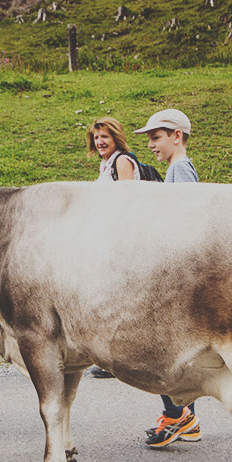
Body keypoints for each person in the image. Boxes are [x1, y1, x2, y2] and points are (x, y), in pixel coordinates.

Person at [135, 109, 202, 448]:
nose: (150, 145)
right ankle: (183, 417)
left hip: (176, 280)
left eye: (155, 137)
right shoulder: (177, 170)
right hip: (175, 278)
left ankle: (178, 415)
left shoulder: (179, 170)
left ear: (177, 136)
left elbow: (186, 228)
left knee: (153, 351)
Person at [84, 116, 140, 379]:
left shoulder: (121, 161)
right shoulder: (105, 164)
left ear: (115, 137)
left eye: (104, 136)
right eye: (96, 137)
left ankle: (121, 359)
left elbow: (128, 201)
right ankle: (113, 358)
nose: (100, 141)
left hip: (124, 241)